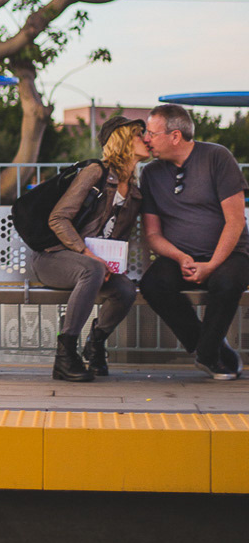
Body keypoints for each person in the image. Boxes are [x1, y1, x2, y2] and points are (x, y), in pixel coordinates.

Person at [28, 116, 150, 382]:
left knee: (125, 290)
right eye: (140, 134)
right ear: (123, 140)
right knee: (92, 268)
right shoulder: (96, 172)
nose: (147, 138)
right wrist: (88, 255)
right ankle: (65, 355)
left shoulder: (135, 191)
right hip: (53, 258)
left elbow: (115, 236)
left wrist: (108, 263)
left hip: (90, 266)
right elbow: (58, 218)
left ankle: (95, 344)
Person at [139, 104, 249, 381]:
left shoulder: (217, 157)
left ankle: (208, 354)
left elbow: (235, 221)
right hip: (181, 257)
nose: (146, 139)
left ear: (175, 136)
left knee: (228, 283)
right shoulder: (150, 174)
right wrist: (179, 257)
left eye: (151, 133)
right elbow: (152, 235)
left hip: (229, 253)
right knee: (152, 284)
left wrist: (211, 264)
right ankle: (208, 346)